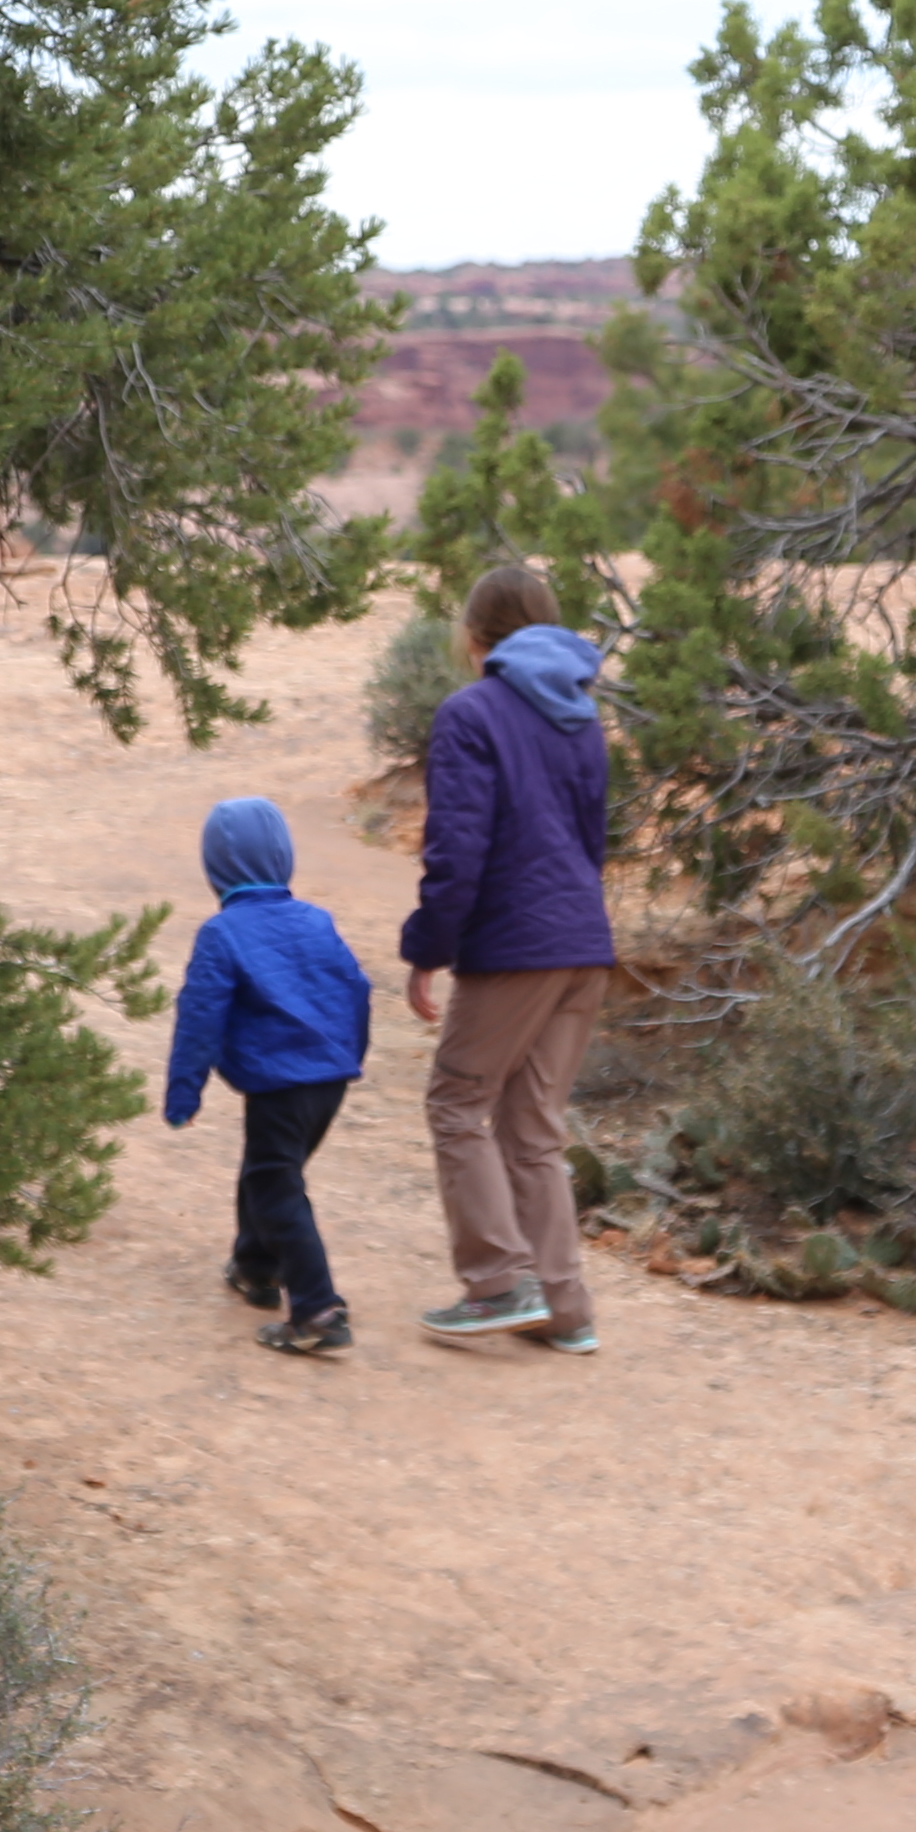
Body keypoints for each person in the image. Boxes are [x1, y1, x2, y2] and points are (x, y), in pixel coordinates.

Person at [394, 561, 614, 1351]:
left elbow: (457, 849)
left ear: (475, 635)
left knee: (457, 1101)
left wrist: (427, 949)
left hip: (517, 945)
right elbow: (592, 844)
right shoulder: (582, 717)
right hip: (584, 945)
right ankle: (563, 1309)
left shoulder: (470, 713)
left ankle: (496, 1284)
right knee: (532, 1126)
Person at [162, 794, 371, 1357]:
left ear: (216, 868)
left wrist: (184, 1092)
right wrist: (350, 1054)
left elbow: (199, 1019)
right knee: (269, 1172)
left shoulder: (222, 934)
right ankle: (255, 1267)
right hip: (328, 1081)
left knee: (277, 1186)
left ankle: (316, 1308)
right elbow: (356, 989)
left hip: (281, 1084)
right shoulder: (315, 919)